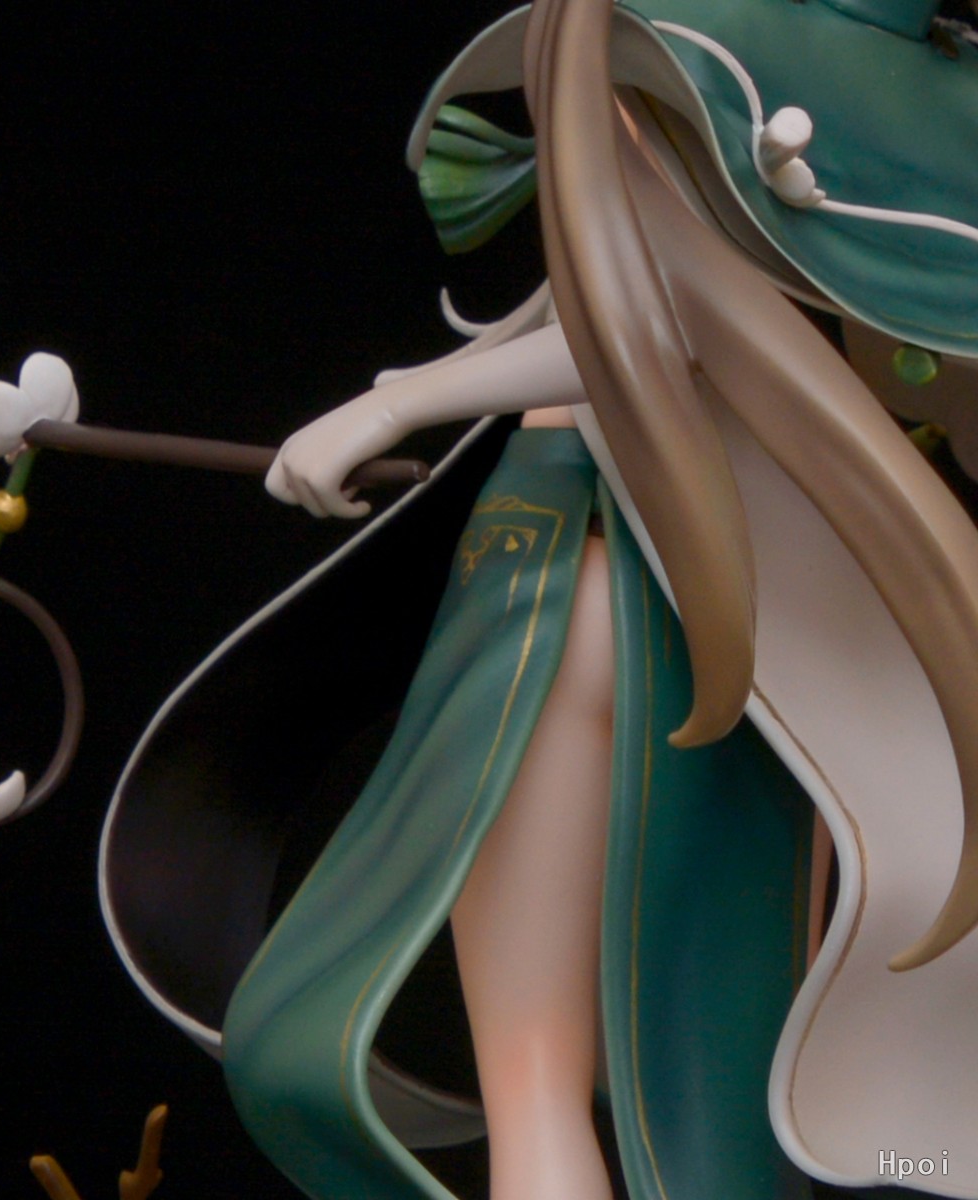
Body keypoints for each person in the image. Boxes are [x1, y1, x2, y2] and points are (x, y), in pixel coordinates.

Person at [101, 1, 978, 1196]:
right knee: (708, 1075)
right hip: (780, 627)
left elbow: (653, 327)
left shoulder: (694, 45)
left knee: (535, 1075)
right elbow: (618, 294)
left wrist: (400, 406)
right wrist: (435, 376)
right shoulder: (905, 101)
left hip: (590, 566)